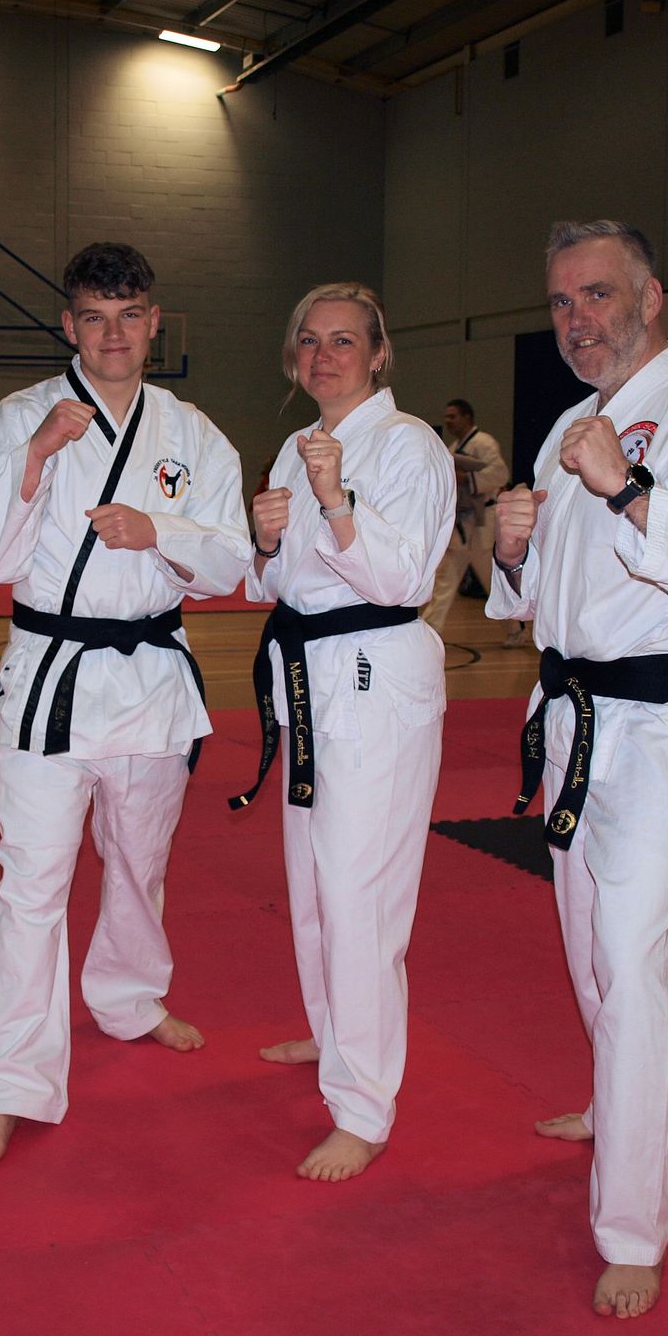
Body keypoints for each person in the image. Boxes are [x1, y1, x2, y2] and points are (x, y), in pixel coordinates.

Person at [487, 221, 668, 1318]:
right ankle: (622, 1100)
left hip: (662, 723)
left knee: (633, 951)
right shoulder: (573, 422)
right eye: (563, 302)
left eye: (600, 295)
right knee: (586, 942)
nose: (579, 319)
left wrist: (626, 491)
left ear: (653, 297)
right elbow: (543, 607)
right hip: (571, 715)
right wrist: (514, 553)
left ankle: (633, 1224)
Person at [0, 243, 251, 1172]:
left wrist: (158, 529)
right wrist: (35, 461)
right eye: (92, 316)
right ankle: (5, 1080)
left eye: (129, 316)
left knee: (139, 859)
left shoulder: (194, 435)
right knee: (32, 878)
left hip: (153, 677)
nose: (111, 334)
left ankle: (127, 996)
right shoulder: (17, 419)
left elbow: (233, 560)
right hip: (52, 672)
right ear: (67, 324)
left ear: (155, 321)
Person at [236, 283, 452, 1184]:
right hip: (308, 681)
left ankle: (364, 1105)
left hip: (375, 680)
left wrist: (335, 505)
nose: (325, 357)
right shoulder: (294, 446)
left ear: (378, 353)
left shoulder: (412, 449)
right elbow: (272, 586)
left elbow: (402, 578)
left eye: (344, 342)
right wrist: (259, 539)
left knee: (362, 900)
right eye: (310, 343)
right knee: (316, 885)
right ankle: (334, 1036)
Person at [422, 398, 509, 634]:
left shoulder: (483, 442)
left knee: (493, 581)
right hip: (462, 522)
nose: (448, 421)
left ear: (467, 417)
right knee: (446, 578)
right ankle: (430, 629)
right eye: (446, 417)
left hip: (483, 520)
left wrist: (464, 478)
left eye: (453, 416)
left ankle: (517, 628)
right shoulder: (452, 448)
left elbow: (500, 474)